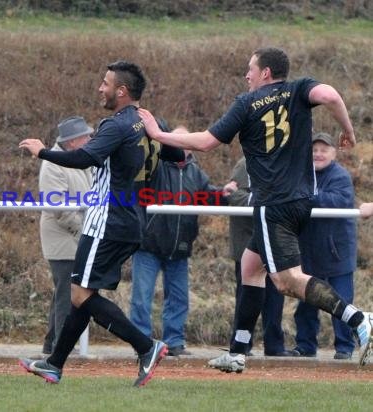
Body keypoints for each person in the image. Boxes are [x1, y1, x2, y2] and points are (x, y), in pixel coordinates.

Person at [138, 46, 373, 373]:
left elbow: (205, 142)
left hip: (273, 204)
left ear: (265, 73)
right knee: (251, 268)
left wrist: (157, 134)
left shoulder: (246, 103)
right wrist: (348, 132)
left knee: (287, 280)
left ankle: (360, 319)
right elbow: (332, 95)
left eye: (251, 69)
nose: (247, 75)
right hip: (301, 201)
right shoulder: (299, 88)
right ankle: (237, 352)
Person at [18, 61, 168, 387]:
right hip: (132, 220)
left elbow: (84, 157)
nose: (100, 88)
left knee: (81, 294)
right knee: (82, 295)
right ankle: (55, 364)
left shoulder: (115, 125)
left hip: (106, 221)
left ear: (122, 91)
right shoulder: (151, 122)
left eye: (105, 83)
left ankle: (146, 346)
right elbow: (180, 157)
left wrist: (42, 151)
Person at [130, 135, 225, 357]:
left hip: (180, 247)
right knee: (142, 298)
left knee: (179, 298)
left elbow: (208, 197)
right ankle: (141, 342)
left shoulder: (196, 173)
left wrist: (224, 193)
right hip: (149, 244)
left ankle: (174, 342)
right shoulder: (155, 166)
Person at [292, 132, 357, 360]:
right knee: (307, 302)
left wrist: (309, 196)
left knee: (342, 302)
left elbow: (338, 201)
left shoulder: (340, 176)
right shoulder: (301, 174)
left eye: (323, 150)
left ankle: (345, 348)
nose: (318, 154)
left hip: (337, 252)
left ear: (333, 153)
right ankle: (305, 345)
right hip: (308, 251)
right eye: (314, 150)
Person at [224, 156, 296, 357]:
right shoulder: (246, 163)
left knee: (276, 296)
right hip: (249, 242)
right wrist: (266, 200)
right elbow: (233, 195)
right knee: (247, 298)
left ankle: (274, 346)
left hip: (276, 242)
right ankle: (240, 346)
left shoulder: (291, 163)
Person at [39, 116, 92, 355]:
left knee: (63, 292)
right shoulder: (54, 165)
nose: (90, 139)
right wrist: (84, 231)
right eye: (85, 136)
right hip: (63, 239)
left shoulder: (77, 160)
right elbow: (59, 208)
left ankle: (53, 344)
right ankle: (61, 347)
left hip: (71, 237)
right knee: (66, 295)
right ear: (72, 143)